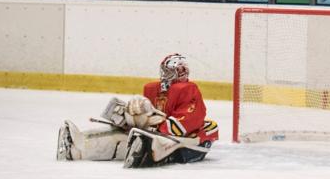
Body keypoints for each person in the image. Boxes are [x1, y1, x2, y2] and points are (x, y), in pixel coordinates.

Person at [57, 53, 219, 168]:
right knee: (119, 132)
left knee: (157, 140)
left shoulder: (188, 89)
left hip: (181, 138)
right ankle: (77, 148)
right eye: (164, 71)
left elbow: (185, 124)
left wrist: (155, 124)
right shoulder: (153, 88)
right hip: (157, 130)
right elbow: (152, 117)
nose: (164, 75)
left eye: (169, 72)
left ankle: (144, 152)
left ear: (181, 72)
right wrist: (133, 118)